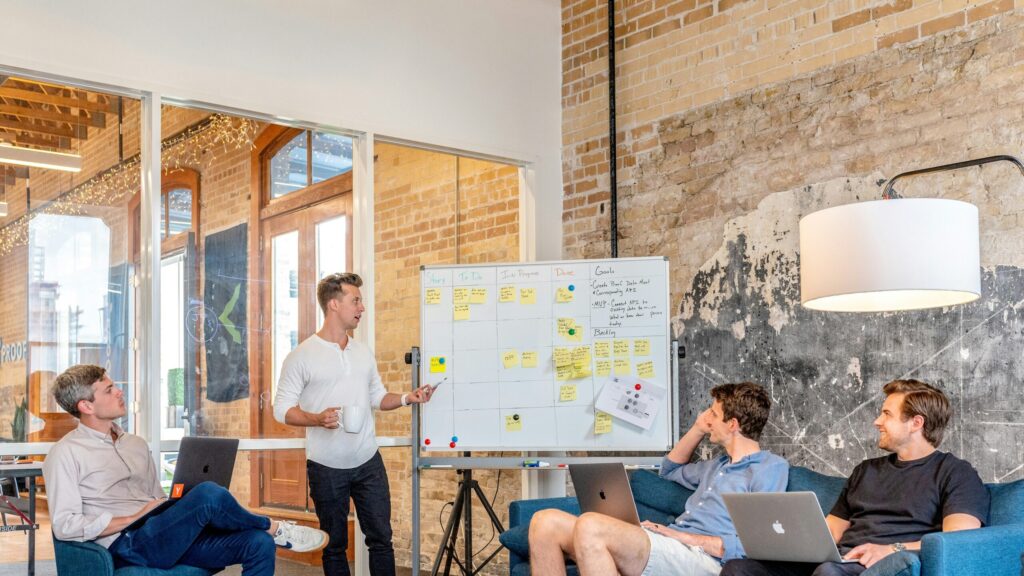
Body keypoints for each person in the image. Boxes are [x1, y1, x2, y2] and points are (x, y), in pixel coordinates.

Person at [43, 364, 328, 576]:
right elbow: (65, 525)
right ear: (85, 406)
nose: (119, 390)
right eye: (108, 389)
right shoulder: (66, 453)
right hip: (128, 544)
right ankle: (274, 527)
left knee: (257, 543)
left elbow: (153, 496)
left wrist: (170, 506)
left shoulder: (136, 444)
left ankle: (266, 532)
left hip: (161, 534)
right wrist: (132, 517)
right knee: (208, 495)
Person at [722, 379, 990, 576]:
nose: (877, 421)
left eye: (886, 414)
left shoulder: (955, 472)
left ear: (916, 423)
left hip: (882, 565)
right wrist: (785, 545)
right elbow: (830, 531)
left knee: (828, 572)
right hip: (839, 560)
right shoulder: (866, 470)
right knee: (738, 569)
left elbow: (957, 541)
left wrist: (892, 549)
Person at [529, 382, 789, 576]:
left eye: (712, 414)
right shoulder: (715, 466)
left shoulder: (768, 468)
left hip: (703, 560)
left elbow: (758, 543)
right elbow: (669, 470)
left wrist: (682, 537)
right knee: (545, 522)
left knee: (591, 525)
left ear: (732, 424)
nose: (707, 418)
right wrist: (698, 428)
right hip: (671, 545)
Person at [274, 271, 435, 576]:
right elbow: (281, 410)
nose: (362, 308)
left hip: (367, 461)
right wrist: (316, 419)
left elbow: (376, 396)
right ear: (334, 304)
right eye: (356, 300)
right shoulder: (301, 356)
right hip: (325, 467)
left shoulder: (362, 353)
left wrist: (406, 398)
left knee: (381, 540)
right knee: (334, 546)